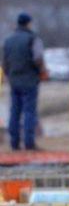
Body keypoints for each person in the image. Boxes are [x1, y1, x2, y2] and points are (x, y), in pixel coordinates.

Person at [3, 12, 46, 150]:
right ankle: (29, 143)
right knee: (29, 112)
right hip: (30, 81)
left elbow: (4, 63)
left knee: (14, 111)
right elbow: (38, 58)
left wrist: (9, 75)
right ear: (28, 23)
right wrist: (43, 72)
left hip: (14, 81)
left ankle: (14, 143)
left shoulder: (8, 40)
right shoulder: (32, 39)